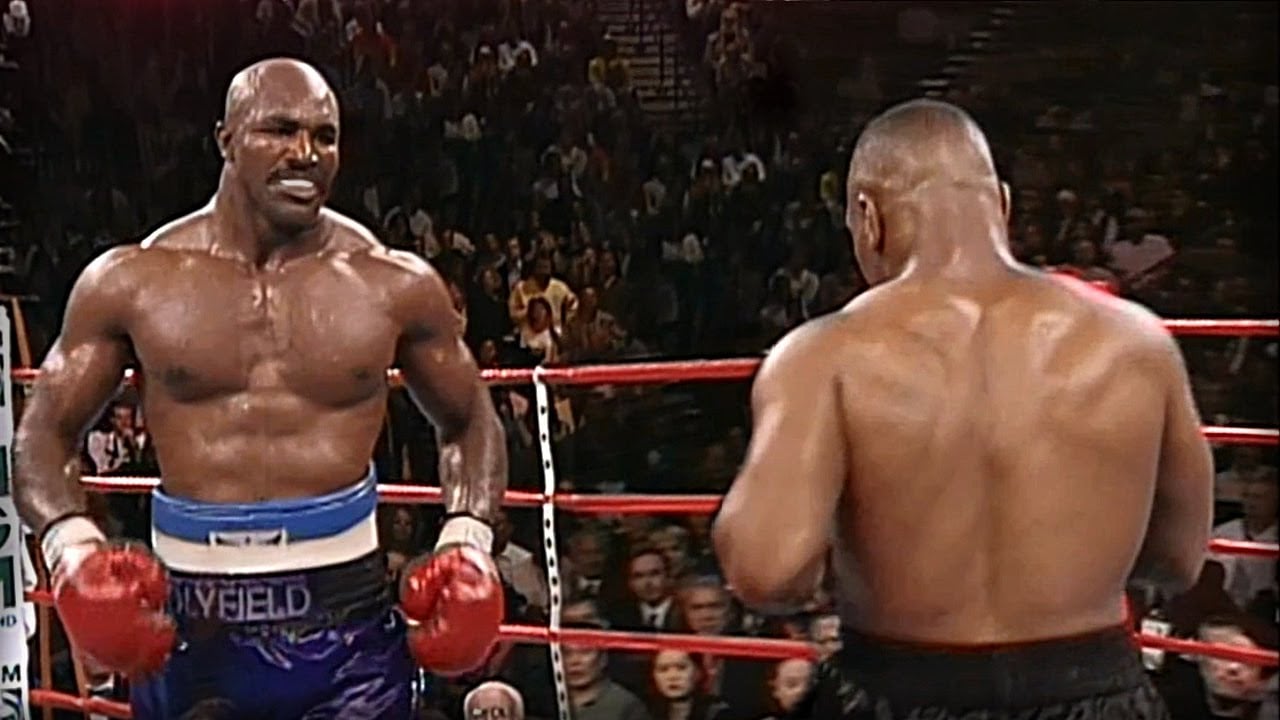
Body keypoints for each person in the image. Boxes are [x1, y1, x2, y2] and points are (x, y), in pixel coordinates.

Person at [13, 58, 508, 719]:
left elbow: (469, 420)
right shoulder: (134, 280)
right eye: (279, 129)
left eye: (325, 136)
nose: (306, 153)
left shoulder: (390, 282)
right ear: (225, 139)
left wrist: (468, 539)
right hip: (192, 623)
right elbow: (44, 432)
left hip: (348, 619)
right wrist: (70, 548)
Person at [712, 99, 1214, 718]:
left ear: (867, 218)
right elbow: (1179, 560)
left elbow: (768, 575)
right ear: (1000, 203)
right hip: (1096, 688)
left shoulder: (825, 354)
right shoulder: (1140, 343)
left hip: (897, 689)